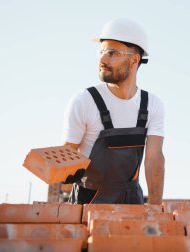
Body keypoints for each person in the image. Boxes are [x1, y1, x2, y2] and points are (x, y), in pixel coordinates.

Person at [62, 18, 165, 205]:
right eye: (101, 51)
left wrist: (155, 210)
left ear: (134, 60)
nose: (102, 59)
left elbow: (154, 158)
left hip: (131, 204)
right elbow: (66, 154)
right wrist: (62, 171)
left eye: (112, 53)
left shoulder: (151, 105)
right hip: (88, 205)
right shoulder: (84, 101)